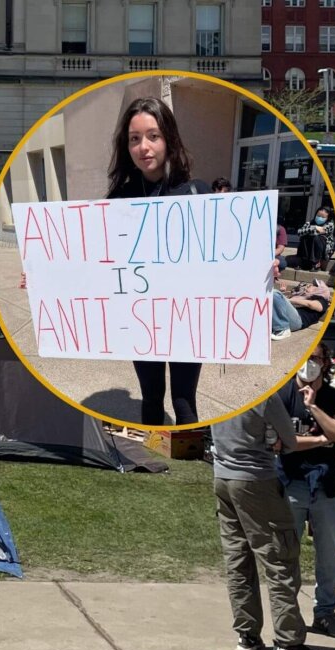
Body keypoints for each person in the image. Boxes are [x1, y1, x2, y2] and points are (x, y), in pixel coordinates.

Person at [105, 97, 212, 427]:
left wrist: (258, 269)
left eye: (153, 136)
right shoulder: (118, 200)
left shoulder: (195, 192)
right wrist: (47, 275)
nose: (144, 147)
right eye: (134, 139)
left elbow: (223, 256)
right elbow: (97, 261)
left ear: (169, 139)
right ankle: (151, 458)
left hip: (185, 315)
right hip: (141, 315)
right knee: (151, 395)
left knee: (183, 400)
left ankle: (189, 465)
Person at [211, 395, 327, 650]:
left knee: (237, 558)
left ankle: (247, 635)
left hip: (222, 476)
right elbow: (289, 440)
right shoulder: (262, 393)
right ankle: (288, 642)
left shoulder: (215, 390)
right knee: (280, 558)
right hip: (256, 480)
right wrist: (321, 440)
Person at [275, 345, 335, 640]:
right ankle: (286, 615)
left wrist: (313, 408)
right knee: (287, 555)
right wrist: (325, 438)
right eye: (304, 357)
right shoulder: (281, 396)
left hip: (327, 485)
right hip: (291, 483)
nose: (308, 364)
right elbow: (280, 443)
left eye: (315, 359)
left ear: (325, 364)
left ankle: (325, 613)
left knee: (328, 557)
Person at [296, 207, 335, 272]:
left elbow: (318, 232)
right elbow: (299, 232)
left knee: (316, 237)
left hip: (324, 249)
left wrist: (309, 229)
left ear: (328, 218)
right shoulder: (309, 223)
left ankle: (316, 263)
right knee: (304, 237)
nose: (320, 218)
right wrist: (315, 227)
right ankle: (305, 262)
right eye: (318, 216)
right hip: (310, 247)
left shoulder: (330, 225)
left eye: (323, 217)